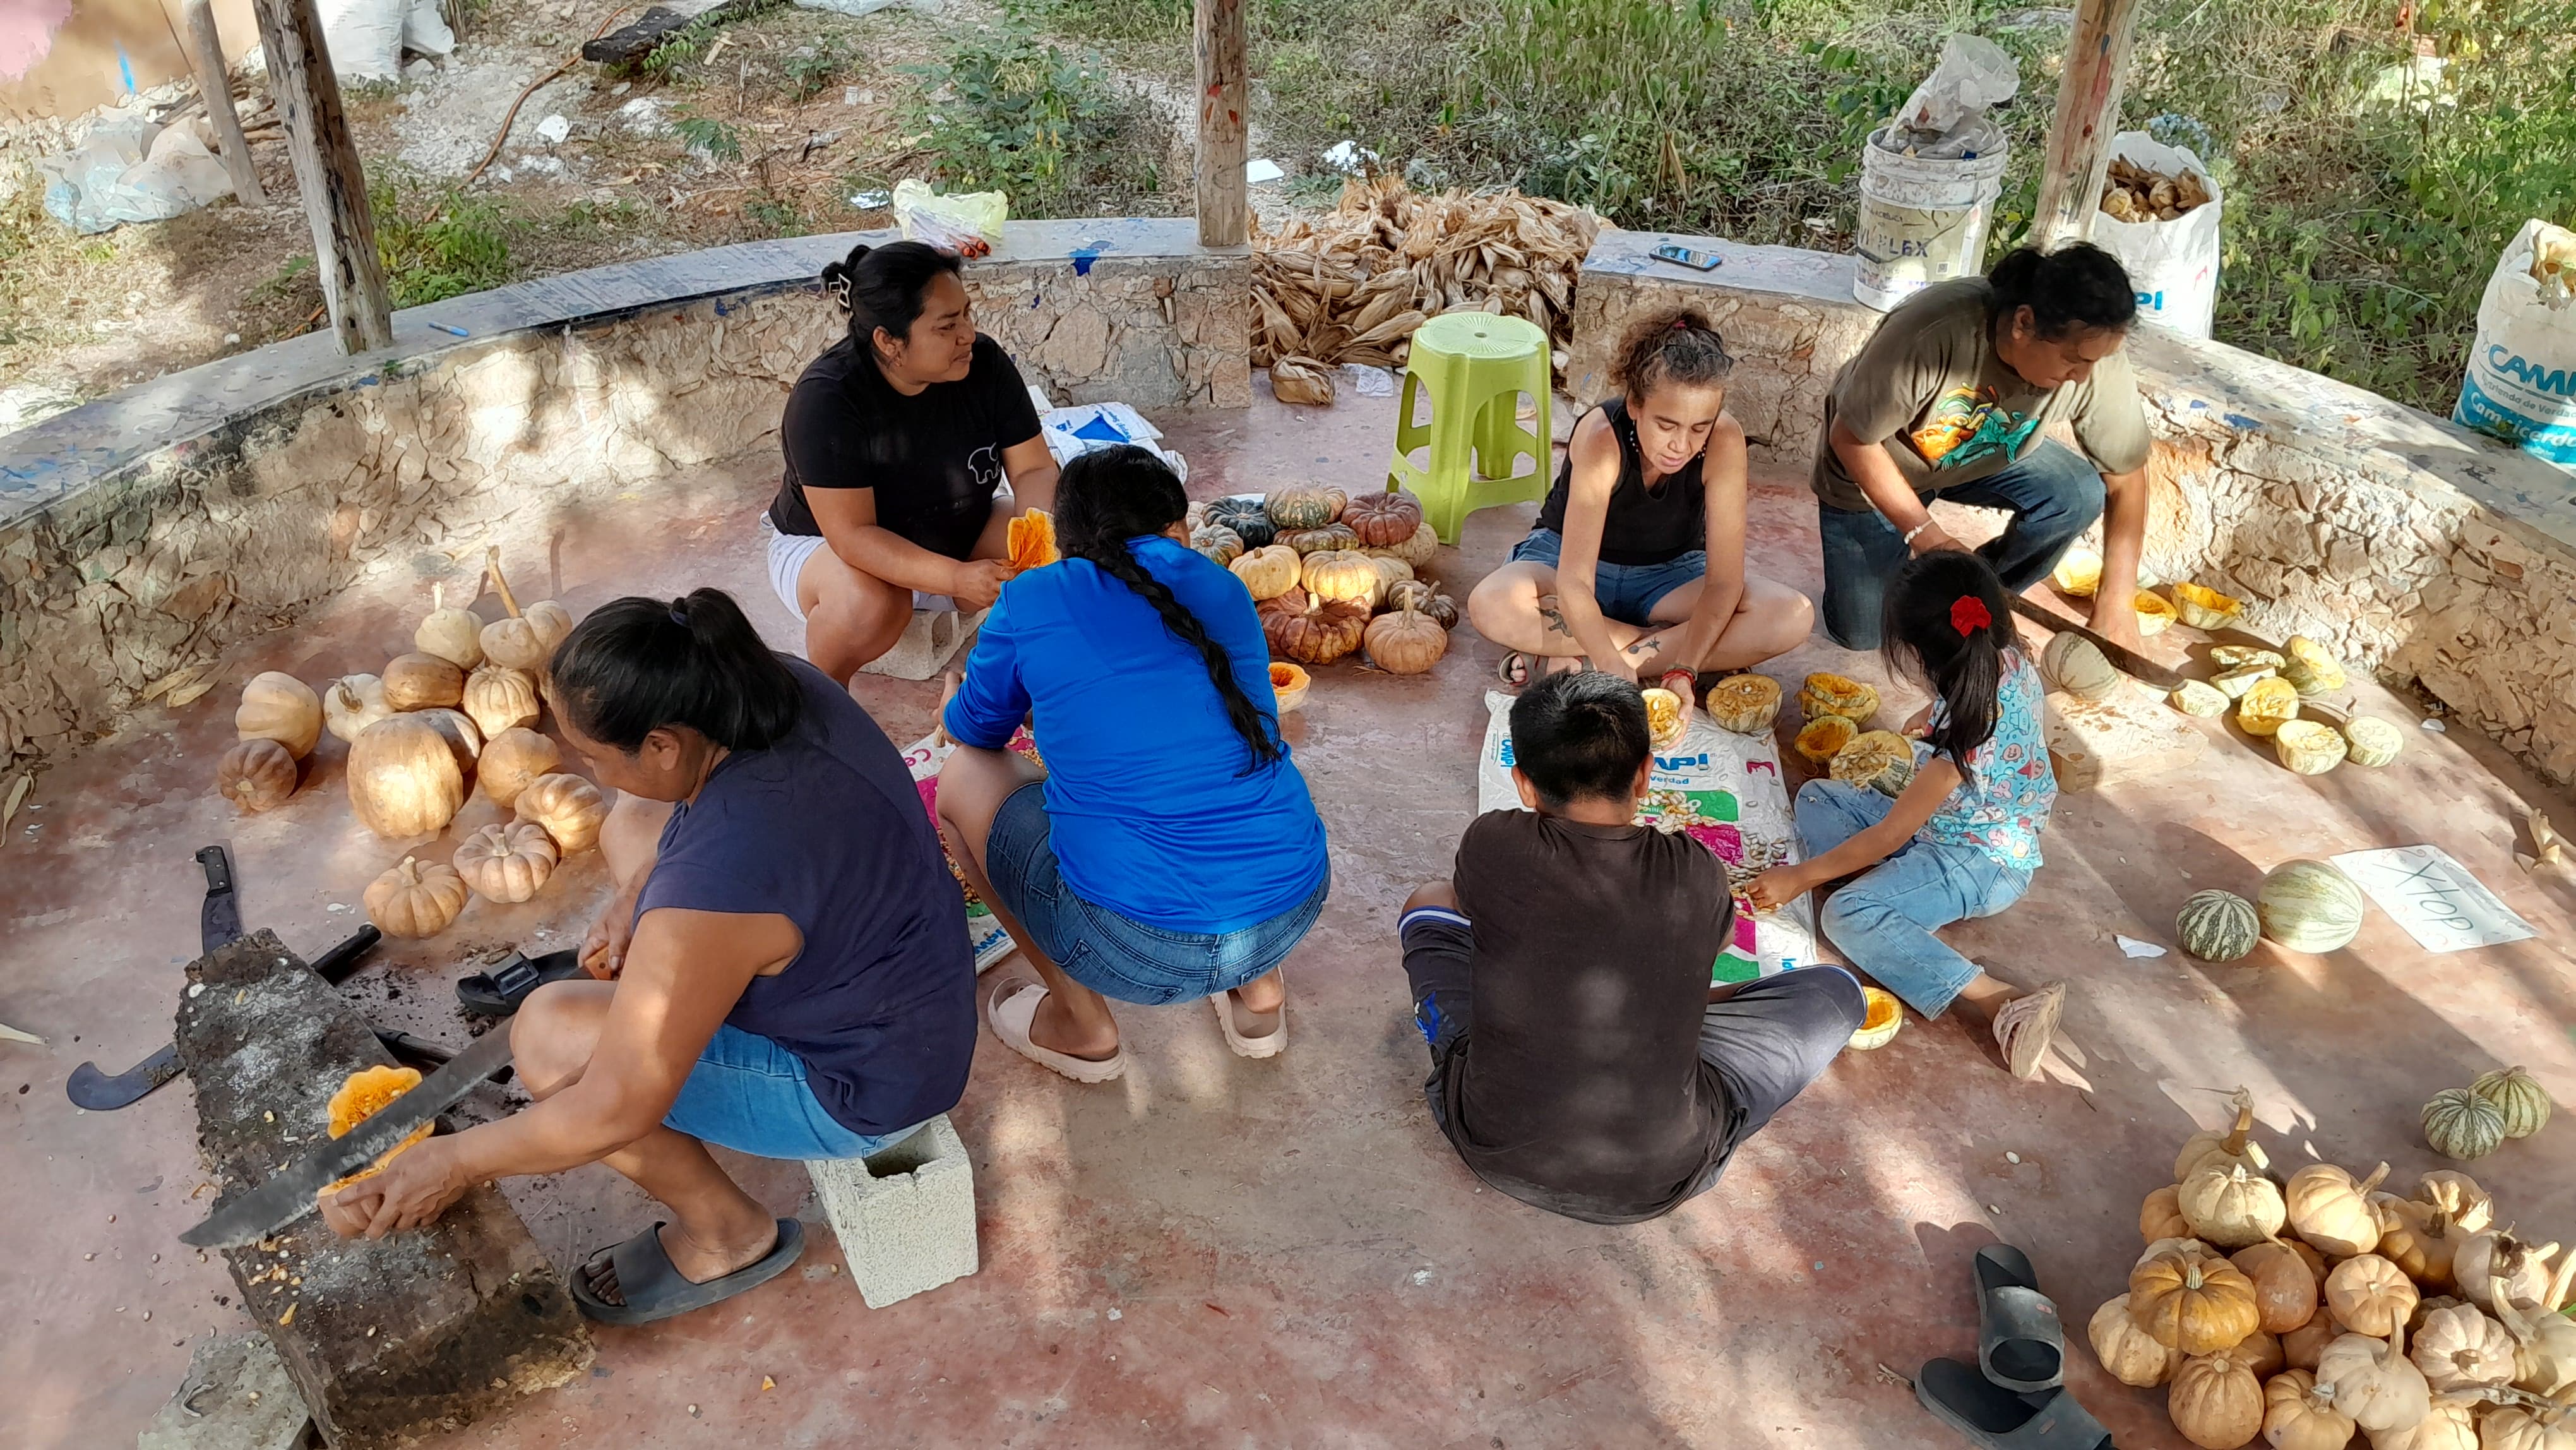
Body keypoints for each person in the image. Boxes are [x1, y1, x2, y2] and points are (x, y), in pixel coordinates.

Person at [319, 589, 977, 1325]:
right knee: (632, 822)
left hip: (868, 1085)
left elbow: (617, 1108)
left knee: (548, 1036)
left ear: (663, 743)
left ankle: (728, 1232)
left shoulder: (717, 891)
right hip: (906, 976)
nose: (590, 771)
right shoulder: (771, 682)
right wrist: (644, 891)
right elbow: (703, 843)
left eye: (596, 755)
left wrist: (454, 1162)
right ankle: (664, 957)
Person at [1397, 669, 1865, 1224]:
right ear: (1646, 775)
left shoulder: (1492, 842)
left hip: (1491, 1141)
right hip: (1657, 1173)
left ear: (1522, 783)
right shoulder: (1695, 870)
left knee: (1427, 901)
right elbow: (1704, 955)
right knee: (1836, 990)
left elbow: (1474, 910)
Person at [936, 445, 1329, 1082]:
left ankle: (1080, 1022)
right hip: (1290, 904)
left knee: (963, 779)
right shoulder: (1225, 588)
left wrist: (957, 697)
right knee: (1225, 780)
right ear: (1178, 530)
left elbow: (976, 730)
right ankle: (1260, 998)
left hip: (1128, 947)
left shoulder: (1030, 599)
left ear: (1062, 540)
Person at [1745, 552, 2068, 1081]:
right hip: (1952, 823)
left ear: (1921, 653)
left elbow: (1894, 830)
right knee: (1819, 798)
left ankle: (1999, 1001)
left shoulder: (1963, 741)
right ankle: (1889, 887)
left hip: (1983, 860)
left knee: (1846, 915)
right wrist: (1931, 714)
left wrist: (1801, 877)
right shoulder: (2002, 655)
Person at [1811, 243, 2152, 654]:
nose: (2083, 378)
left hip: (1981, 454)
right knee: (1865, 635)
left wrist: (2116, 601)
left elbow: (2128, 477)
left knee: (2078, 492)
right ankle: (1935, 580)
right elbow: (1850, 439)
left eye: (2095, 363)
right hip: (1878, 463)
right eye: (2073, 362)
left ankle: (1986, 590)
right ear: (2023, 324)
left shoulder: (2094, 354)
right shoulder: (1932, 332)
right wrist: (1927, 535)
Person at [762, 239, 1062, 681]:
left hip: (957, 531)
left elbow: (1034, 468)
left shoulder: (985, 365)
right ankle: (824, 702)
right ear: (889, 341)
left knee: (1074, 543)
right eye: (946, 327)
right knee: (875, 606)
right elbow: (853, 535)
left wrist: (1036, 540)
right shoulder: (827, 399)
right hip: (830, 548)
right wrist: (958, 579)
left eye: (967, 314)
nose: (967, 335)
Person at [1469, 309, 1813, 689]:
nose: (1681, 446)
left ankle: (1584, 658)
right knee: (1492, 602)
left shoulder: (1725, 440)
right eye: (1666, 425)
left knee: (1790, 615)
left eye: (1700, 427)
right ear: (1635, 405)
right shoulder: (1602, 438)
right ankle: (1665, 643)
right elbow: (1575, 583)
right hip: (1566, 563)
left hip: (1671, 575)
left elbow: (1723, 584)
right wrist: (1680, 646)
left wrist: (1681, 669)